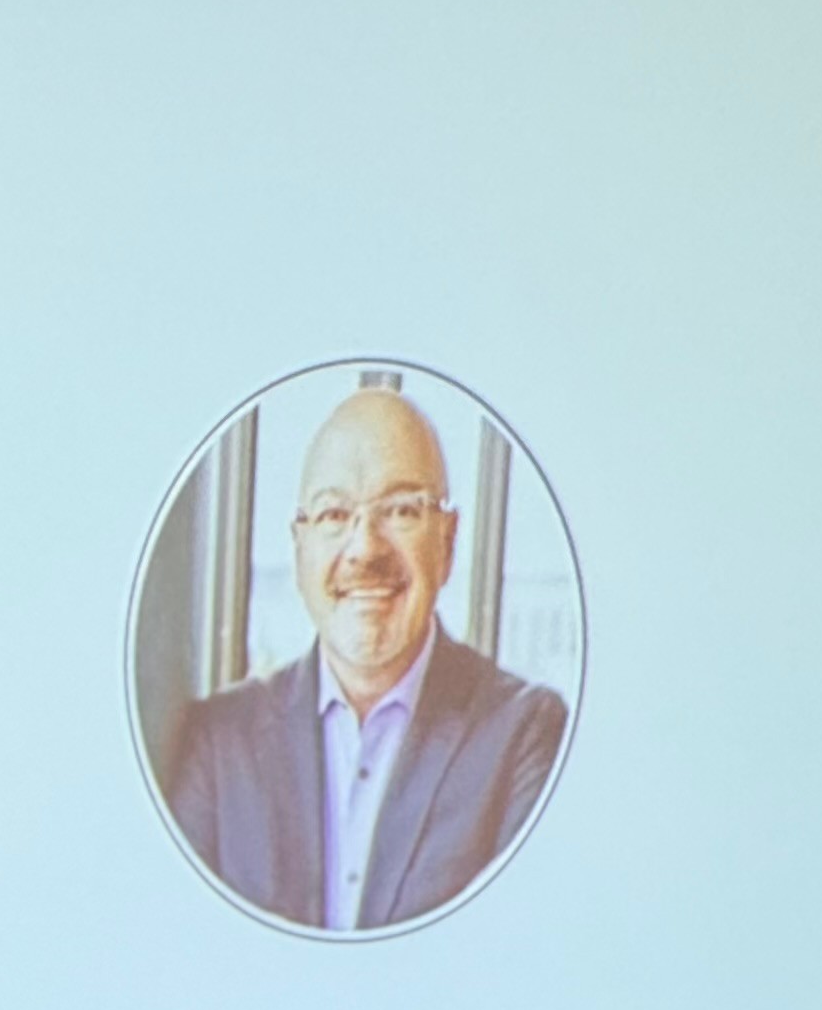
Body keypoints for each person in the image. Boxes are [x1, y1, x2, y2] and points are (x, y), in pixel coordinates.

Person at [160, 388, 570, 932]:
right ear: (299, 546)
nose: (364, 549)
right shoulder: (218, 742)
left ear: (446, 542)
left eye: (401, 510)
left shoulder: (524, 735)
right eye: (334, 513)